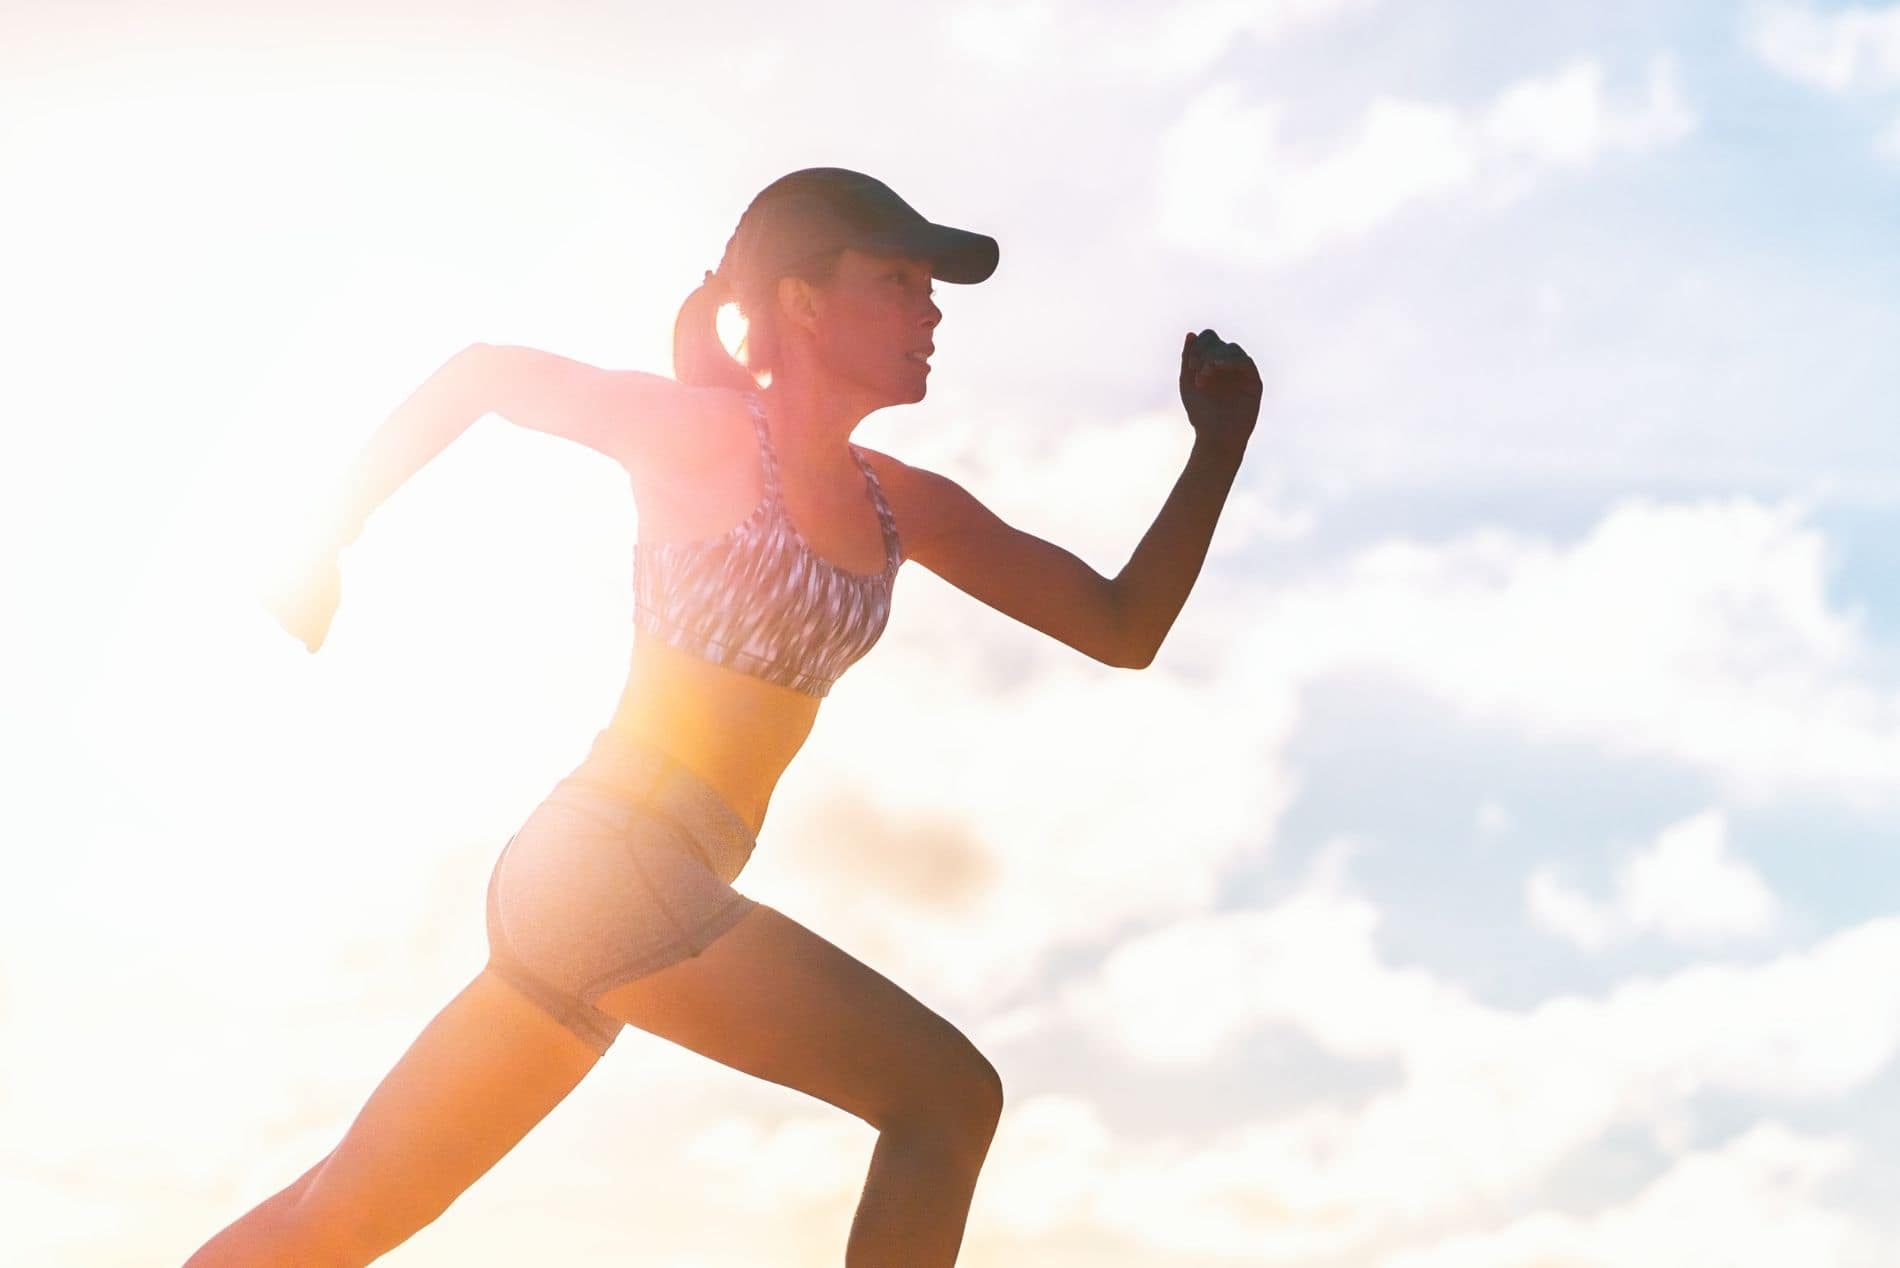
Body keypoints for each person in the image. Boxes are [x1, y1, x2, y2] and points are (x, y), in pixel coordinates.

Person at [191, 167, 1260, 1267]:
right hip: (610, 862)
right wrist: (323, 536)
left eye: (930, 287)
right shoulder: (698, 433)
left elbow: (1121, 624)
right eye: (897, 279)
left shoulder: (903, 504)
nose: (931, 308)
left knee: (337, 1221)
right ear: (800, 301)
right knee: (943, 1095)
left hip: (630, 889)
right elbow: (485, 376)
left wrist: (1216, 449)